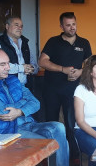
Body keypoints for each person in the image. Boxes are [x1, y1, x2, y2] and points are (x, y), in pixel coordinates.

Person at [38, 12, 92, 155]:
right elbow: (42, 61)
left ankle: (74, 155)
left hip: (74, 91)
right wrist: (63, 69)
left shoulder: (84, 43)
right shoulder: (53, 41)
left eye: (74, 24)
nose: (72, 27)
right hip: (52, 90)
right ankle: (51, 155)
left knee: (72, 123)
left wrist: (80, 72)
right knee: (51, 123)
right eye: (68, 25)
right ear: (61, 27)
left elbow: (90, 64)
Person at [0, 16, 38, 87]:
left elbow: (33, 63)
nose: (20, 28)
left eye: (21, 26)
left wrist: (32, 69)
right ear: (7, 26)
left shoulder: (24, 43)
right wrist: (22, 68)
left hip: (25, 87)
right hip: (5, 87)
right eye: (16, 25)